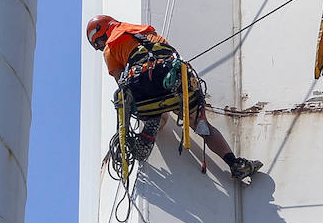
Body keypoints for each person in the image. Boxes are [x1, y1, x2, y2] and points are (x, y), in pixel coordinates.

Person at [86, 15, 262, 182]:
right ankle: (234, 163)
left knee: (143, 104)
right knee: (201, 125)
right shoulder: (144, 31)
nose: (101, 47)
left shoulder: (110, 48)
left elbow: (121, 82)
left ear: (102, 31)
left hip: (145, 89)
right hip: (174, 80)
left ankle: (152, 123)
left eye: (99, 43)